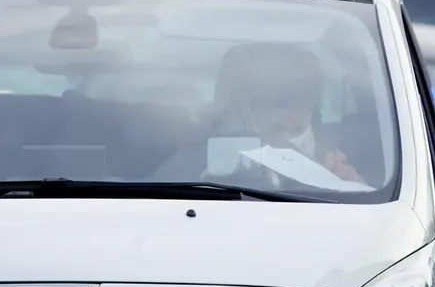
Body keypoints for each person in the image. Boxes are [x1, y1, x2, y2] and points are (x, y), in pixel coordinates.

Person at [152, 42, 365, 185]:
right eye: (277, 102)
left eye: (303, 101)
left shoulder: (333, 167)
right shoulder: (193, 164)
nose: (291, 115)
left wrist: (340, 184)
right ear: (241, 109)